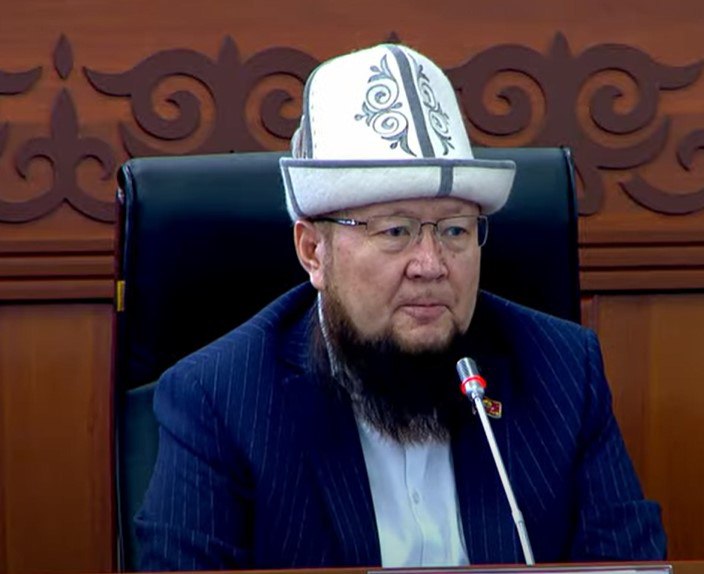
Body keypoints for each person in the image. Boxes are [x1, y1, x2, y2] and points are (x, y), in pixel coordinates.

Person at [135, 43, 667, 571]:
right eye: (395, 231)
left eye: (455, 230)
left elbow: (628, 565)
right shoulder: (220, 400)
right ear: (313, 251)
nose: (431, 265)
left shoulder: (564, 372)